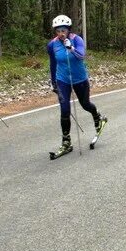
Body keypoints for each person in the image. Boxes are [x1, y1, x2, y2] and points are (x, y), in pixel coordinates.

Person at [47, 14, 106, 154]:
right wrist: (54, 82)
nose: (61, 33)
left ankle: (98, 117)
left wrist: (71, 48)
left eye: (63, 30)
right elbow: (53, 64)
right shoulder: (52, 45)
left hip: (80, 79)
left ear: (68, 30)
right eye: (58, 31)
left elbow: (82, 55)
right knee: (65, 110)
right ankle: (66, 142)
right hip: (62, 80)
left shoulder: (77, 39)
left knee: (85, 104)